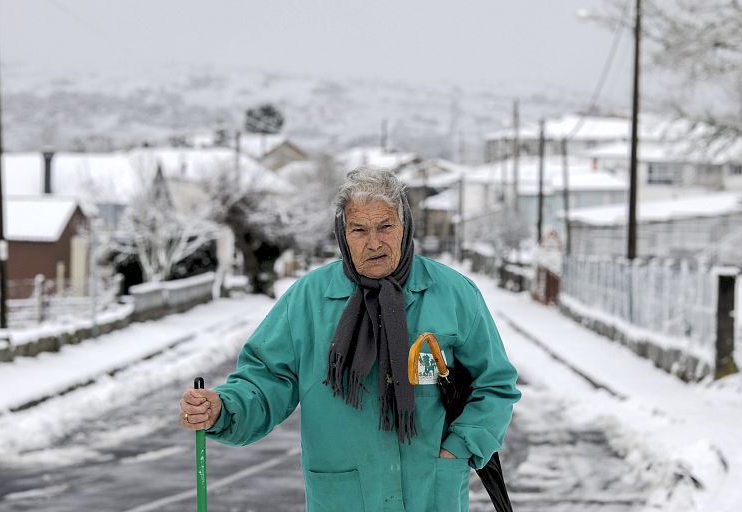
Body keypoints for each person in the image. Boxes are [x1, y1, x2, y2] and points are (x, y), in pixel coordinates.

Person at [180, 165, 521, 511]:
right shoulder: (308, 300)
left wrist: (460, 447)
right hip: (343, 498)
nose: (374, 242)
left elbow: (495, 385)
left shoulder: (453, 294)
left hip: (431, 496)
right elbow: (266, 380)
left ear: (405, 226)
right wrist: (224, 408)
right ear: (343, 234)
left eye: (385, 226)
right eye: (359, 230)